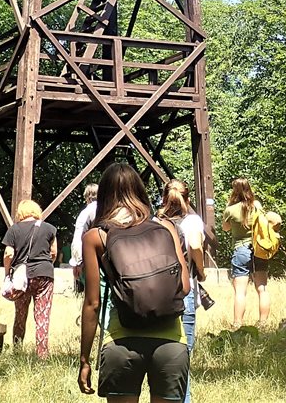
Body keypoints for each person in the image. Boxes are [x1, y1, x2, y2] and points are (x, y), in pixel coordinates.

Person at [77, 162, 190, 402]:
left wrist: (85, 360)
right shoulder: (166, 226)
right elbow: (186, 286)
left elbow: (92, 304)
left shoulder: (96, 236)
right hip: (171, 342)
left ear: (104, 195)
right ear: (140, 190)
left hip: (121, 342)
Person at [159, 179, 207, 403]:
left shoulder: (156, 221)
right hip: (184, 294)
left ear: (162, 198)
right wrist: (201, 270)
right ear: (188, 198)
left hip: (158, 296)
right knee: (183, 358)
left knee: (163, 358)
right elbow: (196, 246)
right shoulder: (193, 221)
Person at [3, 199, 58, 358]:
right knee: (42, 315)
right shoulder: (49, 229)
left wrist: (8, 274)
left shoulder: (14, 230)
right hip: (44, 275)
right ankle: (42, 355)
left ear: (21, 213)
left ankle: (17, 351)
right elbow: (53, 253)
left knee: (20, 315)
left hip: (22, 278)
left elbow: (8, 254)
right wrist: (46, 265)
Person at [221, 177, 271, 328]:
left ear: (233, 191)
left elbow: (225, 228)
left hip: (241, 250)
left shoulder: (230, 210)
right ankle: (263, 323)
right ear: (249, 189)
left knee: (240, 291)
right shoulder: (257, 206)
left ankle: (237, 324)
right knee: (262, 288)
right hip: (259, 249)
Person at [71, 183, 99, 292]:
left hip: (90, 260)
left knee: (92, 295)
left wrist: (77, 263)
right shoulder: (110, 210)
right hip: (110, 258)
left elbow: (78, 238)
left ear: (87, 197)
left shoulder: (85, 213)